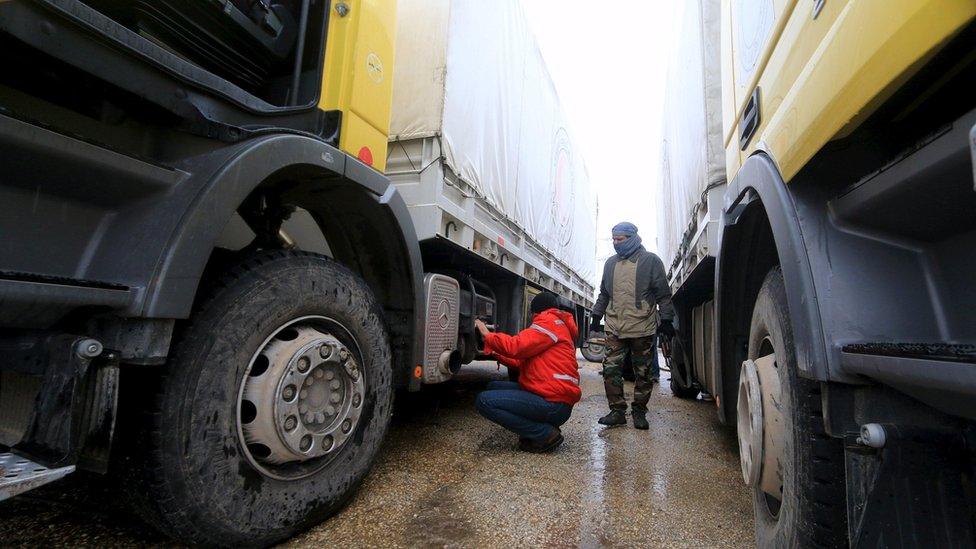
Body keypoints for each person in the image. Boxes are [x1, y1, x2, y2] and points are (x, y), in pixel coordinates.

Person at [590, 222, 675, 430]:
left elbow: (664, 295)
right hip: (615, 326)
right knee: (610, 369)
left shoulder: (651, 261)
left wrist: (666, 320)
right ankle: (617, 411)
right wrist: (596, 315)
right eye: (614, 240)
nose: (616, 243)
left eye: (620, 239)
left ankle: (639, 411)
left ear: (632, 237)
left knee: (643, 373)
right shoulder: (610, 264)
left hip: (642, 327)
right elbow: (604, 293)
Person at [474, 292, 581, 453]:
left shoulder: (548, 321)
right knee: (492, 386)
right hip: (555, 399)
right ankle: (543, 427)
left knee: (484, 401)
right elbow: (520, 361)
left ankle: (544, 433)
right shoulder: (559, 325)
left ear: (536, 311)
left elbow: (516, 346)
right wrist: (493, 351)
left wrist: (488, 335)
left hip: (553, 403)